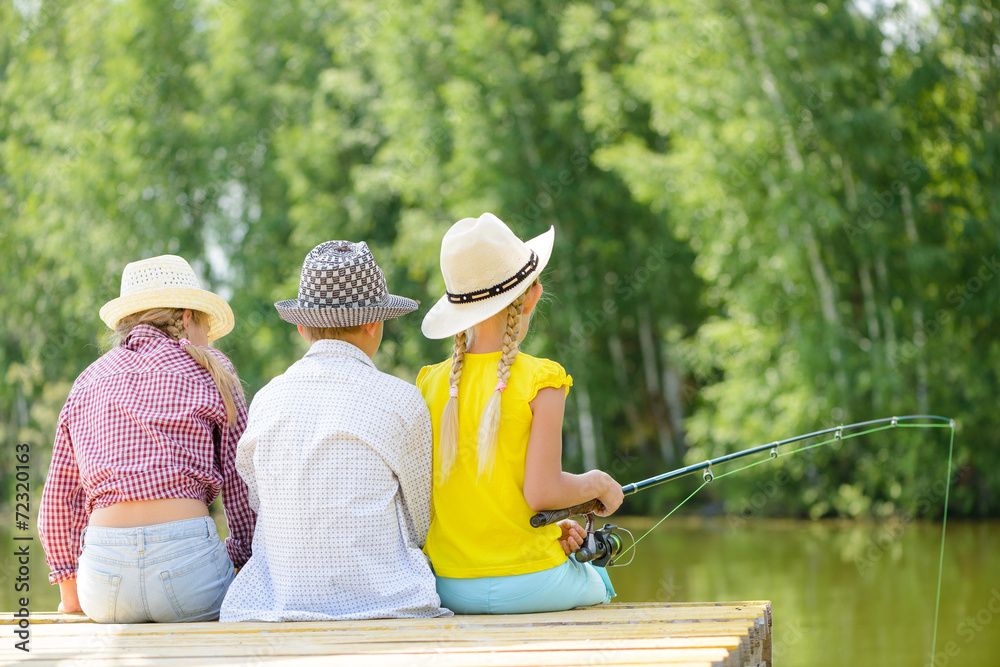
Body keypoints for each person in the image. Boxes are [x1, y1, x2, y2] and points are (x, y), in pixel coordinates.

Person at [219, 240, 451, 622]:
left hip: (277, 601)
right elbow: (420, 522)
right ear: (375, 323)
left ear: (300, 327)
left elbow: (259, 504)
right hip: (386, 602)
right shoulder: (402, 400)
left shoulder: (266, 399)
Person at [417, 212, 625, 614]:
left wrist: (552, 524)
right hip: (533, 584)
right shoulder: (541, 381)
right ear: (532, 295)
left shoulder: (429, 384)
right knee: (600, 579)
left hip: (448, 586)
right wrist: (596, 483)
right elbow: (542, 493)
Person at [38, 255, 255, 623]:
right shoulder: (211, 367)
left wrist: (71, 594)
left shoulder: (88, 380)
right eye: (204, 325)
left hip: (104, 585)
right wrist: (241, 561)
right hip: (189, 572)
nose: (208, 338)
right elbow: (243, 486)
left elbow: (59, 500)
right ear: (187, 317)